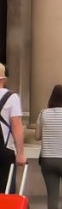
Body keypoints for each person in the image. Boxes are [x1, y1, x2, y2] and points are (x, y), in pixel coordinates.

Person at [0, 63, 26, 194]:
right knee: (6, 190)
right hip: (5, 150)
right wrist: (20, 153)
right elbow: (16, 127)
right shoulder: (11, 97)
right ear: (3, 79)